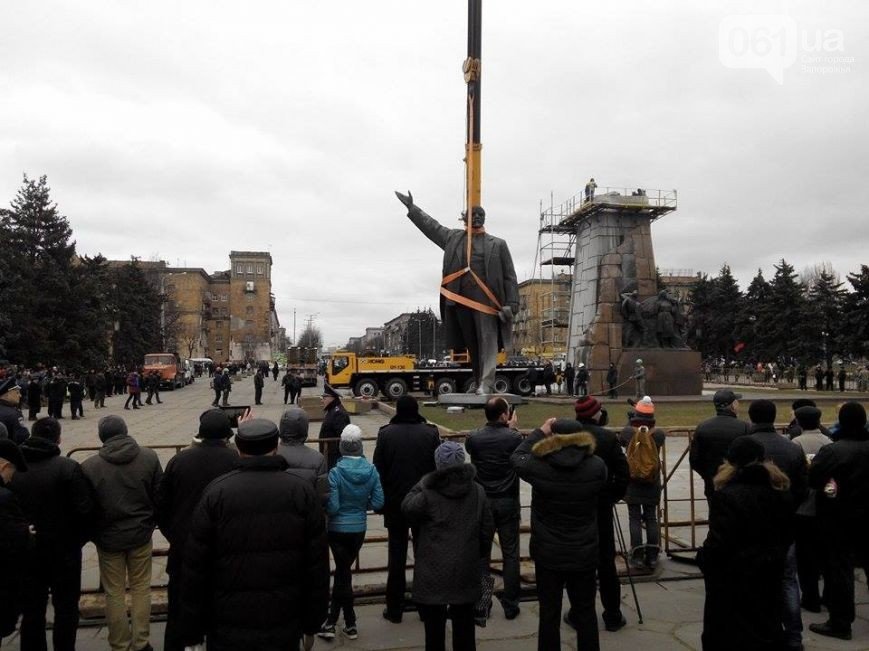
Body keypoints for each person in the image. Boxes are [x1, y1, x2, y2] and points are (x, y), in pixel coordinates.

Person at [179, 418, 330, 651]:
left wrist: (192, 630)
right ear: (275, 447)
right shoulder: (301, 491)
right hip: (284, 619)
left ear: (238, 448)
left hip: (227, 622)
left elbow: (196, 569)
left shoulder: (216, 492)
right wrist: (312, 622)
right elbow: (316, 565)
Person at [395, 191, 519, 395]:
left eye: (480, 214)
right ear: (465, 218)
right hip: (461, 301)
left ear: (485, 218)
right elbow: (432, 227)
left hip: (488, 303)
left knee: (488, 342)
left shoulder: (498, 244)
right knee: (473, 345)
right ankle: (479, 381)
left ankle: (486, 384)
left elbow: (510, 276)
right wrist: (412, 208)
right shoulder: (453, 238)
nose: (477, 217)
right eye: (473, 214)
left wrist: (512, 303)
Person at [511, 417, 607, 651]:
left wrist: (539, 432)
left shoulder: (539, 464)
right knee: (585, 612)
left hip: (549, 552)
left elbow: (516, 457)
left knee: (549, 613)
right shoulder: (596, 466)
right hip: (583, 550)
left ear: (553, 438)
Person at [699, 437, 794, 650]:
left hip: (733, 578)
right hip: (769, 572)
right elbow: (788, 534)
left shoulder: (726, 496)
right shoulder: (780, 493)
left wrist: (704, 559)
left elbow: (718, 544)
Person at [156, 409, 240, 651]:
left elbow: (161, 505)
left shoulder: (179, 460)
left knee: (180, 609)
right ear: (227, 434)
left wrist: (174, 534)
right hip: (226, 549)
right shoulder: (236, 460)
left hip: (185, 547)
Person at [11, 417, 95, 651]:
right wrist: (76, 541)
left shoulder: (14, 469)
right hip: (64, 551)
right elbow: (85, 510)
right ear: (58, 438)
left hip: (26, 550)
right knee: (66, 608)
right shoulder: (67, 467)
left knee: (31, 610)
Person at [81, 416, 163, 651]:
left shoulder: (90, 466)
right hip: (140, 533)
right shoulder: (149, 457)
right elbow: (159, 495)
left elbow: (87, 507)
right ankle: (141, 641)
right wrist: (150, 521)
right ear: (126, 431)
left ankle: (119, 643)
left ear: (101, 437)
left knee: (114, 592)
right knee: (141, 588)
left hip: (108, 538)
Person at [402, 441, 494, 651]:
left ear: (438, 465)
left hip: (433, 572)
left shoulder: (428, 492)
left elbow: (407, 508)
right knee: (465, 632)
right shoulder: (478, 491)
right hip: (465, 569)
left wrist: (425, 482)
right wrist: (476, 553)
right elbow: (487, 529)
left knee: (434, 635)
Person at [744, 399, 807, 651]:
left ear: (751, 416)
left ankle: (759, 633)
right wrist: (788, 508)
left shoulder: (744, 447)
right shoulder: (791, 448)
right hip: (784, 523)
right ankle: (793, 637)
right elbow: (803, 487)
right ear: (774, 417)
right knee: (788, 580)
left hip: (751, 525)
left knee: (752, 579)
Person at [373, 395, 441, 622]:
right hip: (424, 502)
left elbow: (378, 469)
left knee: (397, 556)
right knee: (425, 555)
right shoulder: (430, 433)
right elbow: (436, 470)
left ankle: (394, 609)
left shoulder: (385, 434)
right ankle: (425, 607)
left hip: (396, 505)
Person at [807, 402, 869, 640]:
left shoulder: (833, 451)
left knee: (840, 572)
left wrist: (832, 489)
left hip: (840, 519)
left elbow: (816, 481)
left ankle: (841, 622)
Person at [318, 425, 384, 641]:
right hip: (359, 529)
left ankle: (334, 622)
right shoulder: (372, 471)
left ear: (342, 447)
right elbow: (378, 502)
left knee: (342, 573)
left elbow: (334, 507)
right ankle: (348, 623)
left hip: (337, 529)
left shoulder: (336, 473)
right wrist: (360, 503)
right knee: (343, 573)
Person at [573, 395, 629, 632]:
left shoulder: (569, 437)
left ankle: (579, 614)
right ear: (597, 414)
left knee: (579, 564)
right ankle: (613, 615)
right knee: (606, 563)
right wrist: (612, 496)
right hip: (601, 507)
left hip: (576, 509)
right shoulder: (607, 437)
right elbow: (623, 472)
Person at [465, 397, 523, 623]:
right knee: (510, 554)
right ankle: (511, 604)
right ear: (504, 415)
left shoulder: (475, 438)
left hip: (483, 502)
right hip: (507, 501)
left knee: (482, 555)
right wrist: (513, 429)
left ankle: (483, 603)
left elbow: (471, 447)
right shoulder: (514, 437)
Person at [790, 405, 832, 613]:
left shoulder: (795, 443)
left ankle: (811, 597)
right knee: (827, 555)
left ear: (798, 422)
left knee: (806, 558)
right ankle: (831, 596)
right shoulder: (829, 442)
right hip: (827, 506)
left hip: (804, 507)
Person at [618, 396, 666, 569]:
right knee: (651, 517)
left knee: (634, 518)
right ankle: (652, 555)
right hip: (651, 481)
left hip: (632, 480)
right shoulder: (658, 434)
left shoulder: (628, 432)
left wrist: (629, 421)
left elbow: (623, 440)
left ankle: (637, 555)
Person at [0, 439, 35, 645]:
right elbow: (12, 538)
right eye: (11, 471)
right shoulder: (4, 497)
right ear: (4, 466)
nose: (11, 478)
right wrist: (26, 533)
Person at [689, 388, 750, 499]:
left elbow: (694, 459)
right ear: (733, 405)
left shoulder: (702, 427)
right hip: (738, 484)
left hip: (713, 484)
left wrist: (708, 476)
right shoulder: (745, 427)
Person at [277, 406, 329, 504]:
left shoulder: (271, 455)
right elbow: (322, 496)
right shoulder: (317, 459)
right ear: (305, 429)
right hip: (306, 514)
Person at [319, 383, 350, 470]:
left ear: (331, 398)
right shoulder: (333, 410)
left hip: (334, 456)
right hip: (329, 453)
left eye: (324, 398)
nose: (322, 400)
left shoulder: (338, 413)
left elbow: (343, 437)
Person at [0, 377, 30, 444]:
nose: (20, 395)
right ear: (6, 395)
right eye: (17, 393)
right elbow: (23, 437)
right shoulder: (13, 414)